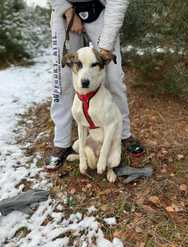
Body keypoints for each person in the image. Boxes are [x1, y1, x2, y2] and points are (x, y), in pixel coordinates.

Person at [46, 0, 144, 170]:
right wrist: (67, 10)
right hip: (64, 12)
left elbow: (118, 3)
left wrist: (105, 47)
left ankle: (122, 134)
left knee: (113, 77)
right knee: (63, 80)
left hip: (101, 11)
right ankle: (62, 142)